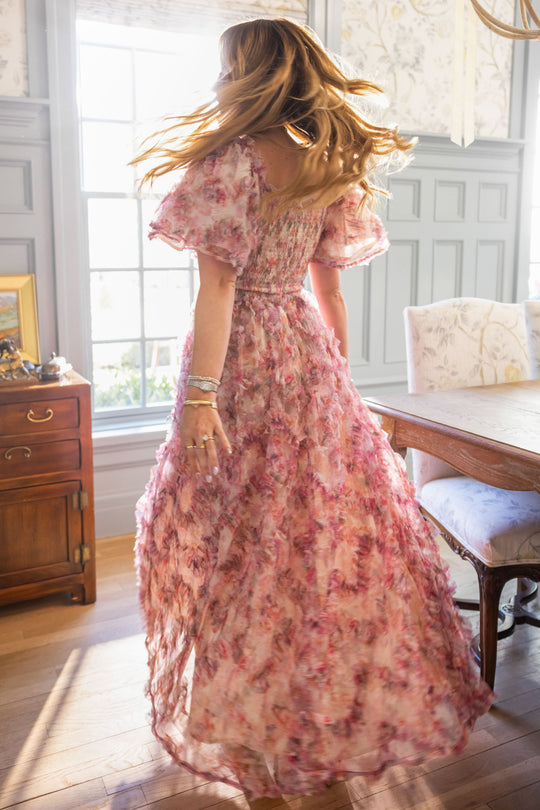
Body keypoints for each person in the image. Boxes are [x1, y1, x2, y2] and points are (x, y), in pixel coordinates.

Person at [134, 17, 494, 801]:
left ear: (245, 70)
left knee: (245, 542)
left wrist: (201, 399)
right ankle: (307, 711)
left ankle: (258, 728)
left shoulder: (230, 160)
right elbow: (328, 290)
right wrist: (335, 377)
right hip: (304, 352)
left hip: (245, 360)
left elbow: (221, 287)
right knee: (310, 542)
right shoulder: (327, 161)